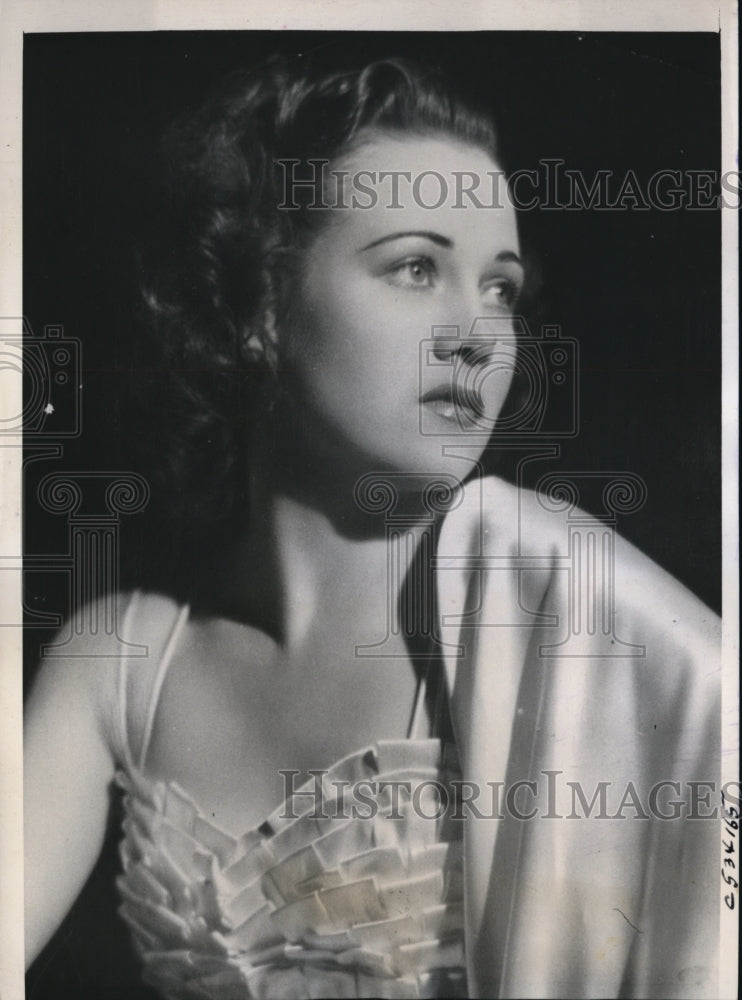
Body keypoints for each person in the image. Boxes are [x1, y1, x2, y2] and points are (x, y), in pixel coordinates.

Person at [24, 53, 721, 999]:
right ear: (260, 304)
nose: (479, 332)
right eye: (417, 267)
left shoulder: (568, 621)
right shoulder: (121, 662)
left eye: (502, 287)